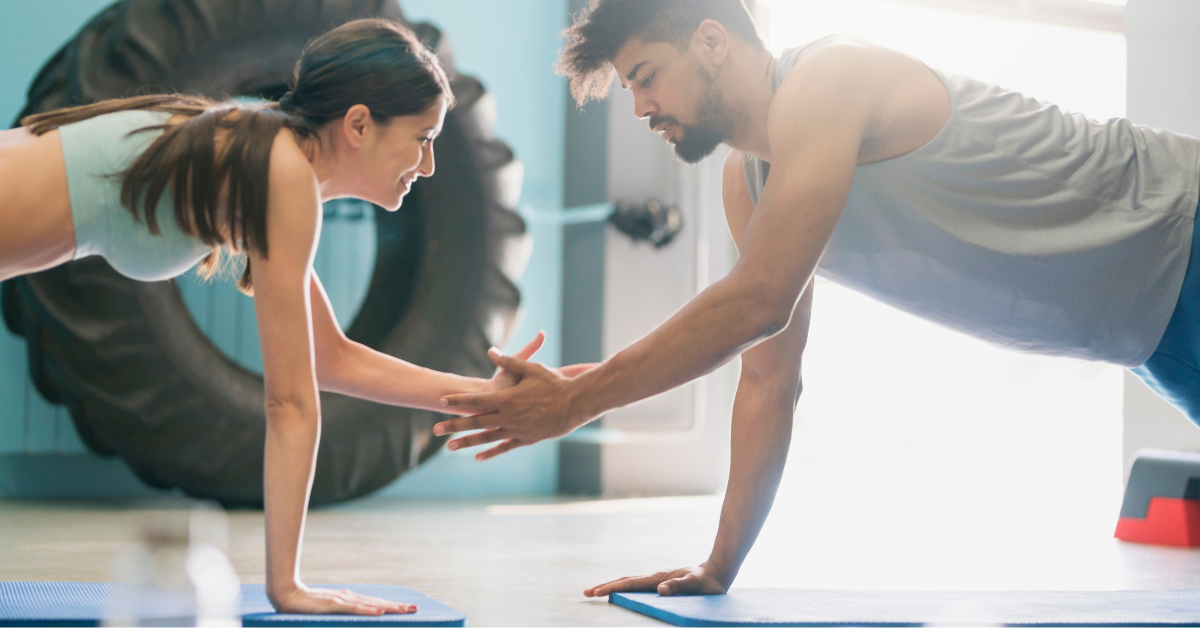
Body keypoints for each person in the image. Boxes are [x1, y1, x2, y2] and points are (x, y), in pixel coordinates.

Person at [431, 0, 1200, 599]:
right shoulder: (746, 181)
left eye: (644, 76)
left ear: (710, 40)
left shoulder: (828, 79)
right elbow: (769, 376)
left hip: (1185, 230)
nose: (641, 108)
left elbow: (758, 299)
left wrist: (580, 399)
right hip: (1149, 337)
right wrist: (718, 566)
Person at [0, 18, 561, 616]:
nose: (427, 167)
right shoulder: (280, 170)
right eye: (423, 139)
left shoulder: (267, 159)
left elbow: (328, 357)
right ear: (359, 125)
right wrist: (286, 587)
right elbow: (289, 402)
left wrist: (482, 395)